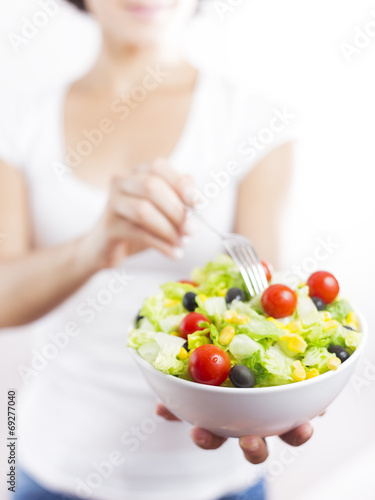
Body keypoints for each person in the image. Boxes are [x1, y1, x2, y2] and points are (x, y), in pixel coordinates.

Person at [0, 1, 314, 499]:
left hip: (216, 481)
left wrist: (286, 395)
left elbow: (267, 300)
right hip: (53, 467)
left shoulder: (256, 120)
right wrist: (93, 249)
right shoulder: (18, 119)